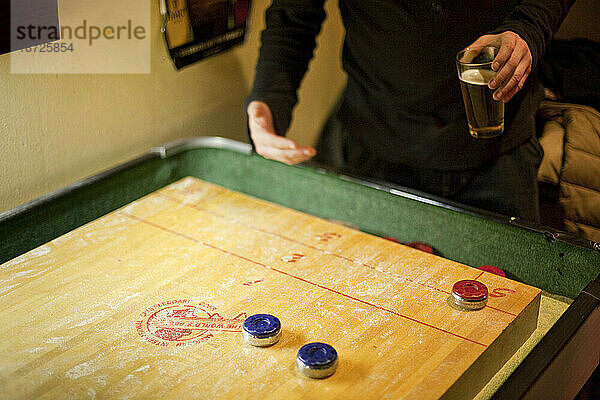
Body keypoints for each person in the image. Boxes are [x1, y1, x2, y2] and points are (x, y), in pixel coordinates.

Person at [245, 1, 574, 221]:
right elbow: (293, 17)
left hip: (496, 150)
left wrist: (529, 28)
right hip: (374, 145)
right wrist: (267, 101)